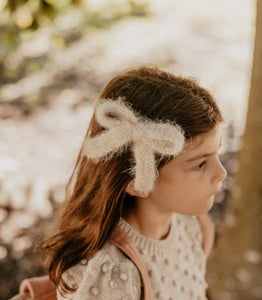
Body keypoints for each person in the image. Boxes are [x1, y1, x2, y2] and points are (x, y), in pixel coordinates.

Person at [39, 66, 227, 300]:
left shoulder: (192, 224)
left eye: (217, 154)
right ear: (138, 179)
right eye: (200, 164)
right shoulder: (112, 275)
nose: (221, 173)